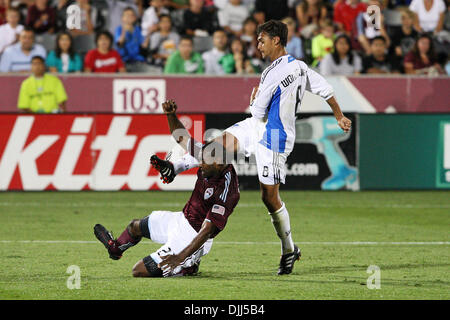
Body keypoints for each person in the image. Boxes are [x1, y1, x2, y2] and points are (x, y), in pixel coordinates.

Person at [153, 20, 352, 276]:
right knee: (213, 152)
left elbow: (258, 109)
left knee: (269, 198)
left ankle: (288, 249)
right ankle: (175, 166)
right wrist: (339, 115)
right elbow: (327, 90)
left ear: (276, 40)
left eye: (261, 40)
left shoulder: (274, 73)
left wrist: (256, 99)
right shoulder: (299, 67)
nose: (258, 45)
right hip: (257, 126)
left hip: (275, 138)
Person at [94, 99, 240, 278]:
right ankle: (115, 248)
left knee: (138, 271)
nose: (200, 164)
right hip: (181, 219)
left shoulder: (228, 191)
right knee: (134, 227)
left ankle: (187, 265)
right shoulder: (208, 155)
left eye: (204, 163)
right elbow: (181, 137)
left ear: (218, 164)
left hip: (192, 236)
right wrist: (170, 115)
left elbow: (207, 230)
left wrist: (180, 257)